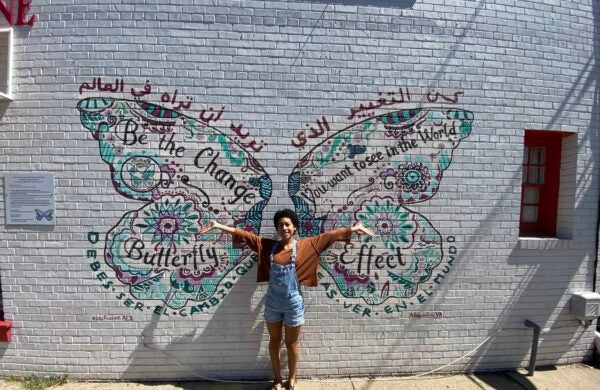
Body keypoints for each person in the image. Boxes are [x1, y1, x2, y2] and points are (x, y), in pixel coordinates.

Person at [200, 209, 374, 390]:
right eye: (280, 225)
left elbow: (330, 235)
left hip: (293, 303)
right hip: (273, 303)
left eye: (287, 224)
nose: (284, 228)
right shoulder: (268, 246)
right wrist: (218, 226)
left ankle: (292, 379)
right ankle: (276, 379)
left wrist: (355, 229)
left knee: (292, 344)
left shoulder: (307, 246)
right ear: (277, 229)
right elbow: (245, 235)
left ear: (295, 227)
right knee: (274, 342)